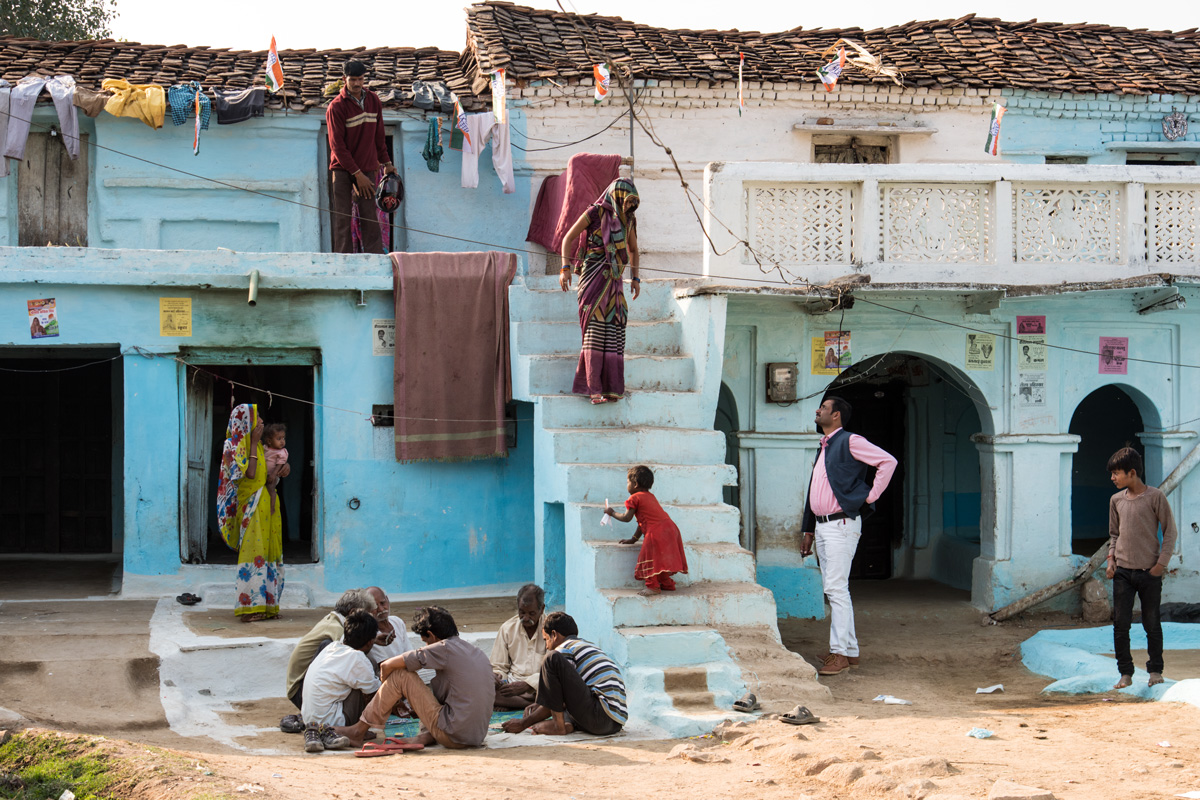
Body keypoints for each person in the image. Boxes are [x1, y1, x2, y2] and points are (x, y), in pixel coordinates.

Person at [800, 396, 898, 677]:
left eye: (825, 408)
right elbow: (814, 492)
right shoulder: (825, 446)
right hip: (823, 526)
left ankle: (839, 653)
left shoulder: (850, 441)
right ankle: (850, 651)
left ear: (838, 415)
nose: (818, 410)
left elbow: (887, 461)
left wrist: (870, 496)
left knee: (836, 589)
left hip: (841, 525)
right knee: (835, 588)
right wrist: (808, 529)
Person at [334, 606, 495, 749]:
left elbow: (387, 665)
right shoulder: (475, 651)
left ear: (431, 635)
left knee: (400, 675)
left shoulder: (443, 648)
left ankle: (358, 730)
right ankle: (425, 736)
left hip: (453, 735)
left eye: (426, 641)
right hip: (475, 736)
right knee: (428, 687)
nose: (426, 647)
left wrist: (390, 693)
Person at [559, 178, 640, 405]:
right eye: (625, 202)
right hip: (592, 279)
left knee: (614, 330)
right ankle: (593, 389)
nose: (628, 208)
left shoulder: (630, 221)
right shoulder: (595, 213)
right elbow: (568, 239)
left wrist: (635, 278)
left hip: (615, 282)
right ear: (615, 196)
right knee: (595, 330)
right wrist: (565, 268)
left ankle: (611, 389)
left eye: (632, 204)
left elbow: (633, 250)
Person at [1106, 446, 1177, 690]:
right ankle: (1125, 673)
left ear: (1132, 472)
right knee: (1120, 625)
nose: (1113, 478)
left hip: (1149, 572)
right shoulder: (1116, 500)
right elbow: (1114, 534)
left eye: (1117, 473)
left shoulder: (1156, 497)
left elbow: (1170, 531)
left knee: (1152, 623)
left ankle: (1155, 670)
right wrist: (1111, 559)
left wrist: (1161, 565)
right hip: (1123, 573)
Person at [501, 611, 626, 737]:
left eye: (546, 640)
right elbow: (567, 696)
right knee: (560, 705)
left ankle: (558, 726)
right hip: (614, 723)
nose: (547, 646)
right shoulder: (587, 647)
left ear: (554, 635)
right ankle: (568, 725)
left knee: (551, 658)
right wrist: (540, 705)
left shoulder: (564, 648)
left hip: (599, 716)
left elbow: (558, 699)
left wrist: (523, 724)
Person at [216, 403, 283, 624]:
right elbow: (251, 474)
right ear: (247, 424)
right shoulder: (234, 446)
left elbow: (267, 475)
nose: (262, 423)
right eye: (258, 420)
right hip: (251, 508)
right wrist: (253, 442)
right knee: (253, 555)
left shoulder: (261, 447)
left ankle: (267, 606)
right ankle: (250, 607)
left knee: (268, 553)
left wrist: (282, 470)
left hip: (266, 506)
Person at [280, 588, 377, 733]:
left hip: (309, 694)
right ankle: (355, 729)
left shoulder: (333, 623)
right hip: (298, 691)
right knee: (363, 671)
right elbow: (356, 656)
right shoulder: (337, 632)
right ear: (353, 612)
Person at [326, 59, 396, 254]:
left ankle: (374, 259)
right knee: (343, 218)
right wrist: (357, 175)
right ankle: (343, 261)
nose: (357, 84)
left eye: (360, 79)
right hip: (342, 170)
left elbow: (379, 137)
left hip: (367, 167)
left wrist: (387, 163)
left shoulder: (373, 101)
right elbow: (337, 147)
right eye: (352, 79)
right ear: (344, 79)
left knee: (369, 216)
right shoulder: (336, 107)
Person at [300, 610, 381, 753]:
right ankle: (357, 730)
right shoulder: (357, 658)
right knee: (370, 683)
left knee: (362, 677)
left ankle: (354, 729)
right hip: (333, 722)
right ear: (370, 642)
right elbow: (375, 694)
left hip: (309, 719)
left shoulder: (331, 647)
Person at [604, 465, 688, 596]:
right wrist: (633, 539)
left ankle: (652, 586)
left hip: (656, 531)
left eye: (628, 482)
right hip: (670, 528)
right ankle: (666, 583)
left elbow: (627, 518)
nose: (627, 485)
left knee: (649, 557)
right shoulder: (650, 496)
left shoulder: (634, 498)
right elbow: (642, 522)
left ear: (635, 484)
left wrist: (612, 512)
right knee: (660, 557)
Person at [490, 583, 547, 709]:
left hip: (540, 687)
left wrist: (527, 685)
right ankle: (535, 706)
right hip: (512, 687)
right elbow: (498, 665)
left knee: (559, 688)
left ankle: (518, 704)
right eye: (522, 612)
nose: (526, 618)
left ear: (541, 609)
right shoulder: (507, 628)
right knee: (485, 690)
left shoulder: (550, 629)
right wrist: (497, 677)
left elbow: (553, 670)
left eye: (531, 613)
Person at [262, 423, 290, 514]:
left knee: (271, 488)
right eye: (278, 439)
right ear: (269, 441)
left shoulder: (282, 452)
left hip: (273, 475)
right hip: (263, 475)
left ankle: (272, 507)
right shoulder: (265, 448)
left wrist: (273, 474)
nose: (282, 441)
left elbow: (279, 464)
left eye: (283, 438)